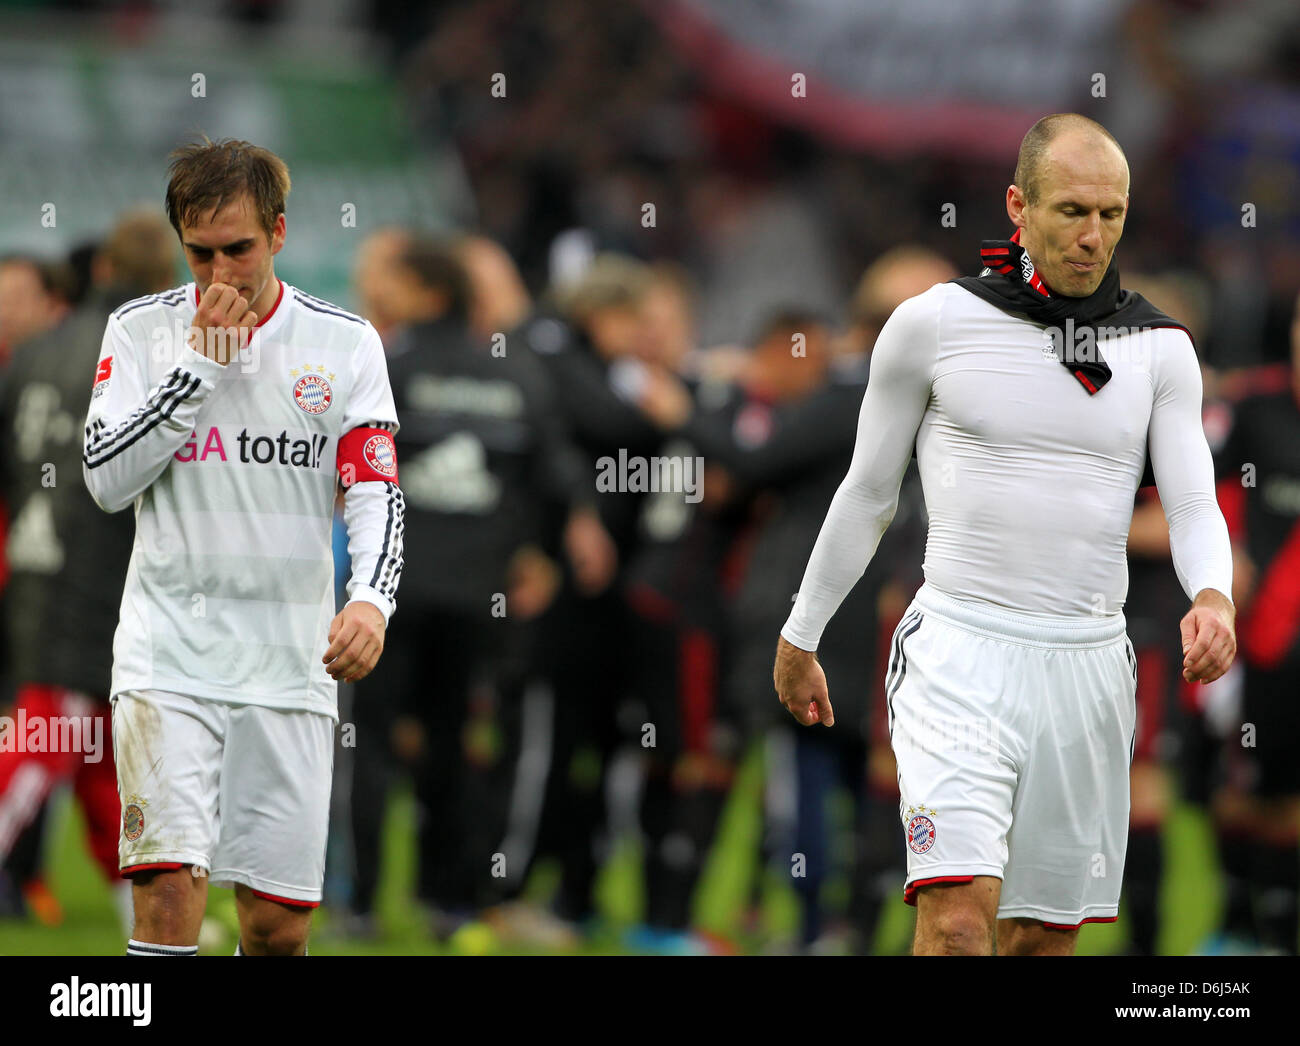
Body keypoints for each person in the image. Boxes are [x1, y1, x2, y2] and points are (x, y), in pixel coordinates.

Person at [773, 113, 1237, 956]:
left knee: (1039, 940)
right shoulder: (932, 324)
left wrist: (1214, 594)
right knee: (955, 922)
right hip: (960, 652)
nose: (1094, 236)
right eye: (1072, 212)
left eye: (1112, 214)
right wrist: (802, 631)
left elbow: (1193, 503)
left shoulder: (1161, 348)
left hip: (1090, 665)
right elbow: (868, 492)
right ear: (1018, 205)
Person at [82, 138, 404, 957]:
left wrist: (370, 598)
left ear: (281, 233)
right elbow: (105, 479)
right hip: (169, 655)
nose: (220, 273)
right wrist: (196, 368)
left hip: (291, 663)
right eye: (200, 253)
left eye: (240, 249)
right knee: (166, 896)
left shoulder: (346, 343)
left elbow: (375, 488)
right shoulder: (139, 332)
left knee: (277, 928)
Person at [0, 212, 177, 936]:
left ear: (100, 268)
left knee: (106, 742)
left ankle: (140, 891)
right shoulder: (150, 355)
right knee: (53, 730)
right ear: (164, 281)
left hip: (33, 559)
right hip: (104, 571)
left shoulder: (34, 352)